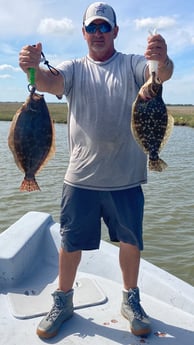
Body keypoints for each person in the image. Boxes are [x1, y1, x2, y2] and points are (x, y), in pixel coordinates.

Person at [19, 2, 173, 339]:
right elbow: (47, 82)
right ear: (84, 32)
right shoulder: (74, 68)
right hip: (80, 180)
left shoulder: (134, 64)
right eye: (93, 27)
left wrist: (161, 59)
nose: (99, 33)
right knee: (70, 243)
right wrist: (31, 69)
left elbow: (159, 75)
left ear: (116, 31)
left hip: (126, 179)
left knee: (131, 242)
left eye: (105, 27)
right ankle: (63, 300)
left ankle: (131, 299)